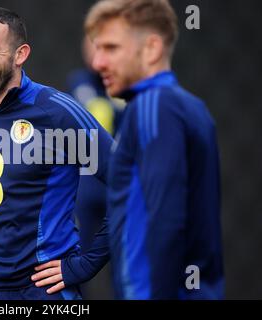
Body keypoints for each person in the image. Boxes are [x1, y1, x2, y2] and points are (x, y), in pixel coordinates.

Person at [0, 7, 113, 300]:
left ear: (20, 54)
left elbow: (129, 181)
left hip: (39, 293)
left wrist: (85, 265)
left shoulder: (56, 113)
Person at [84, 0, 224, 299]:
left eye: (111, 48)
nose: (98, 62)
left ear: (151, 48)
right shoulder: (191, 107)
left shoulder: (152, 106)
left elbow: (162, 219)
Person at [67, 36, 125, 299]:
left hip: (121, 189)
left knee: (125, 269)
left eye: (106, 44)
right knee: (79, 263)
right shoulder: (78, 83)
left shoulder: (130, 85)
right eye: (92, 43)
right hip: (87, 190)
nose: (97, 52)